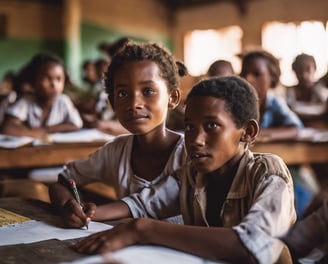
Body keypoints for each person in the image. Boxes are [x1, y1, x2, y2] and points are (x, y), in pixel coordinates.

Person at [73, 76, 296, 264]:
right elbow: (144, 203)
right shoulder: (192, 174)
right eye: (189, 127)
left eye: (211, 126)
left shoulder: (267, 172)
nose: (196, 140)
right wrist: (88, 214)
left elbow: (254, 243)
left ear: (247, 131)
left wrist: (144, 229)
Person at [48, 41, 188, 227]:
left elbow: (152, 203)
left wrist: (96, 213)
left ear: (173, 97)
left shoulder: (190, 153)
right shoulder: (116, 151)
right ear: (112, 102)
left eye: (148, 91)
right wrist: (68, 204)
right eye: (123, 94)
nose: (134, 103)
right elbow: (64, 180)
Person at [239, 50, 318, 218]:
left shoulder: (274, 102)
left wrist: (260, 134)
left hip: (273, 166)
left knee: (296, 192)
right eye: (244, 73)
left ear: (272, 79)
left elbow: (296, 128)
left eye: (257, 74)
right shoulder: (237, 103)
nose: (248, 79)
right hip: (246, 168)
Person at [1, 53, 83, 139]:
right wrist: (33, 134)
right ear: (34, 81)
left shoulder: (63, 100)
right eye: (48, 79)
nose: (54, 85)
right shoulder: (26, 101)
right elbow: (7, 128)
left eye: (59, 79)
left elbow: (76, 124)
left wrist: (45, 130)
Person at [286, 53, 328, 128]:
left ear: (315, 69)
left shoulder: (320, 90)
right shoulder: (289, 92)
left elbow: (325, 109)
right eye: (299, 70)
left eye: (308, 70)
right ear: (294, 71)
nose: (304, 75)